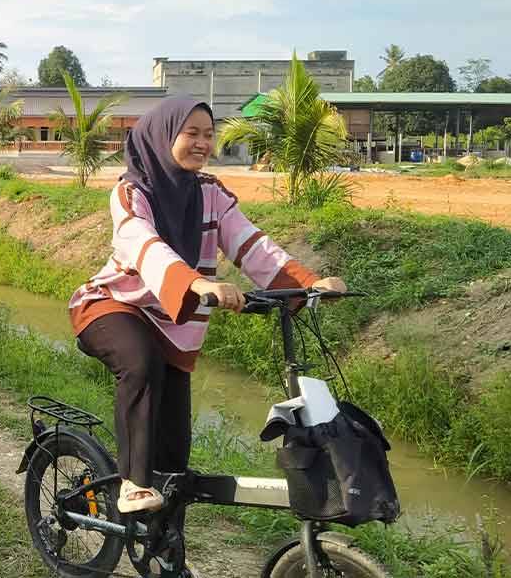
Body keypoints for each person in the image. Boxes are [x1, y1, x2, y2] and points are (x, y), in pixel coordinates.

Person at [69, 97, 346, 515]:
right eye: (191, 133)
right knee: (141, 364)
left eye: (209, 134)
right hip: (114, 306)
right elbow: (143, 244)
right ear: (163, 136)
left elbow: (249, 242)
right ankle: (133, 484)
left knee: (175, 456)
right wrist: (196, 282)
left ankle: (165, 540)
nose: (203, 143)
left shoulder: (211, 193)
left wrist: (307, 283)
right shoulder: (130, 192)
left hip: (175, 323)